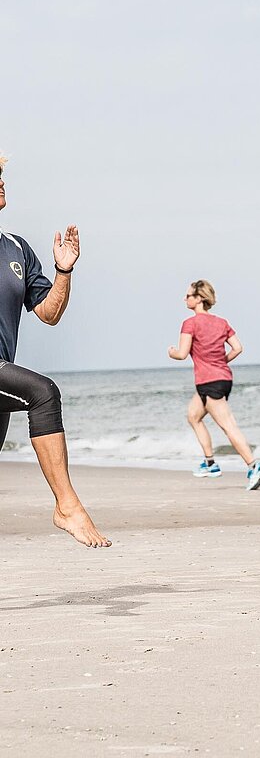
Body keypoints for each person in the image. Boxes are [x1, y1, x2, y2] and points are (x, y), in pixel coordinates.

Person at [0, 155, 111, 548]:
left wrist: (64, 271)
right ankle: (67, 506)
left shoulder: (16, 248)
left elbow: (48, 313)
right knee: (43, 393)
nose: (0, 182)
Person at [168, 280, 260, 490]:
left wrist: (172, 352)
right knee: (193, 416)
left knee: (228, 425)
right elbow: (238, 348)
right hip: (222, 378)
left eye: (188, 296)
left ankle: (253, 465)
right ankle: (210, 463)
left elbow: (182, 353)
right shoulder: (222, 322)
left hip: (209, 381)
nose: (184, 299)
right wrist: (221, 361)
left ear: (198, 299)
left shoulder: (190, 323)